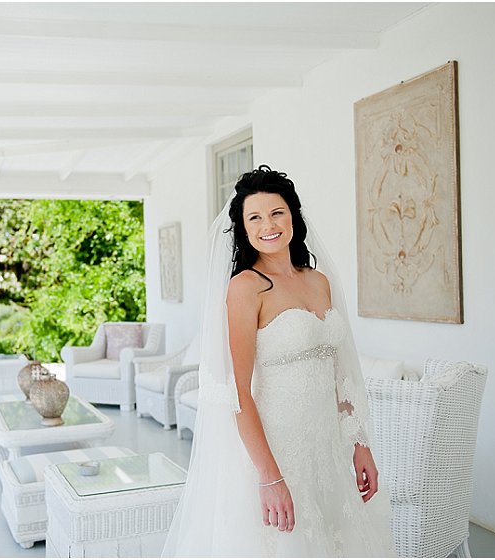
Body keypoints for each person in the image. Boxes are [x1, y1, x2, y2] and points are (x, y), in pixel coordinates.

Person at [162, 165, 396, 557]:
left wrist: (360, 444)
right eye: (255, 217)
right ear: (243, 228)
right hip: (278, 450)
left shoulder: (318, 281)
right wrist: (270, 477)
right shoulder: (245, 288)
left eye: (276, 213)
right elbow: (238, 392)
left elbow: (340, 375)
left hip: (328, 450)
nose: (268, 225)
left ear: (293, 217)